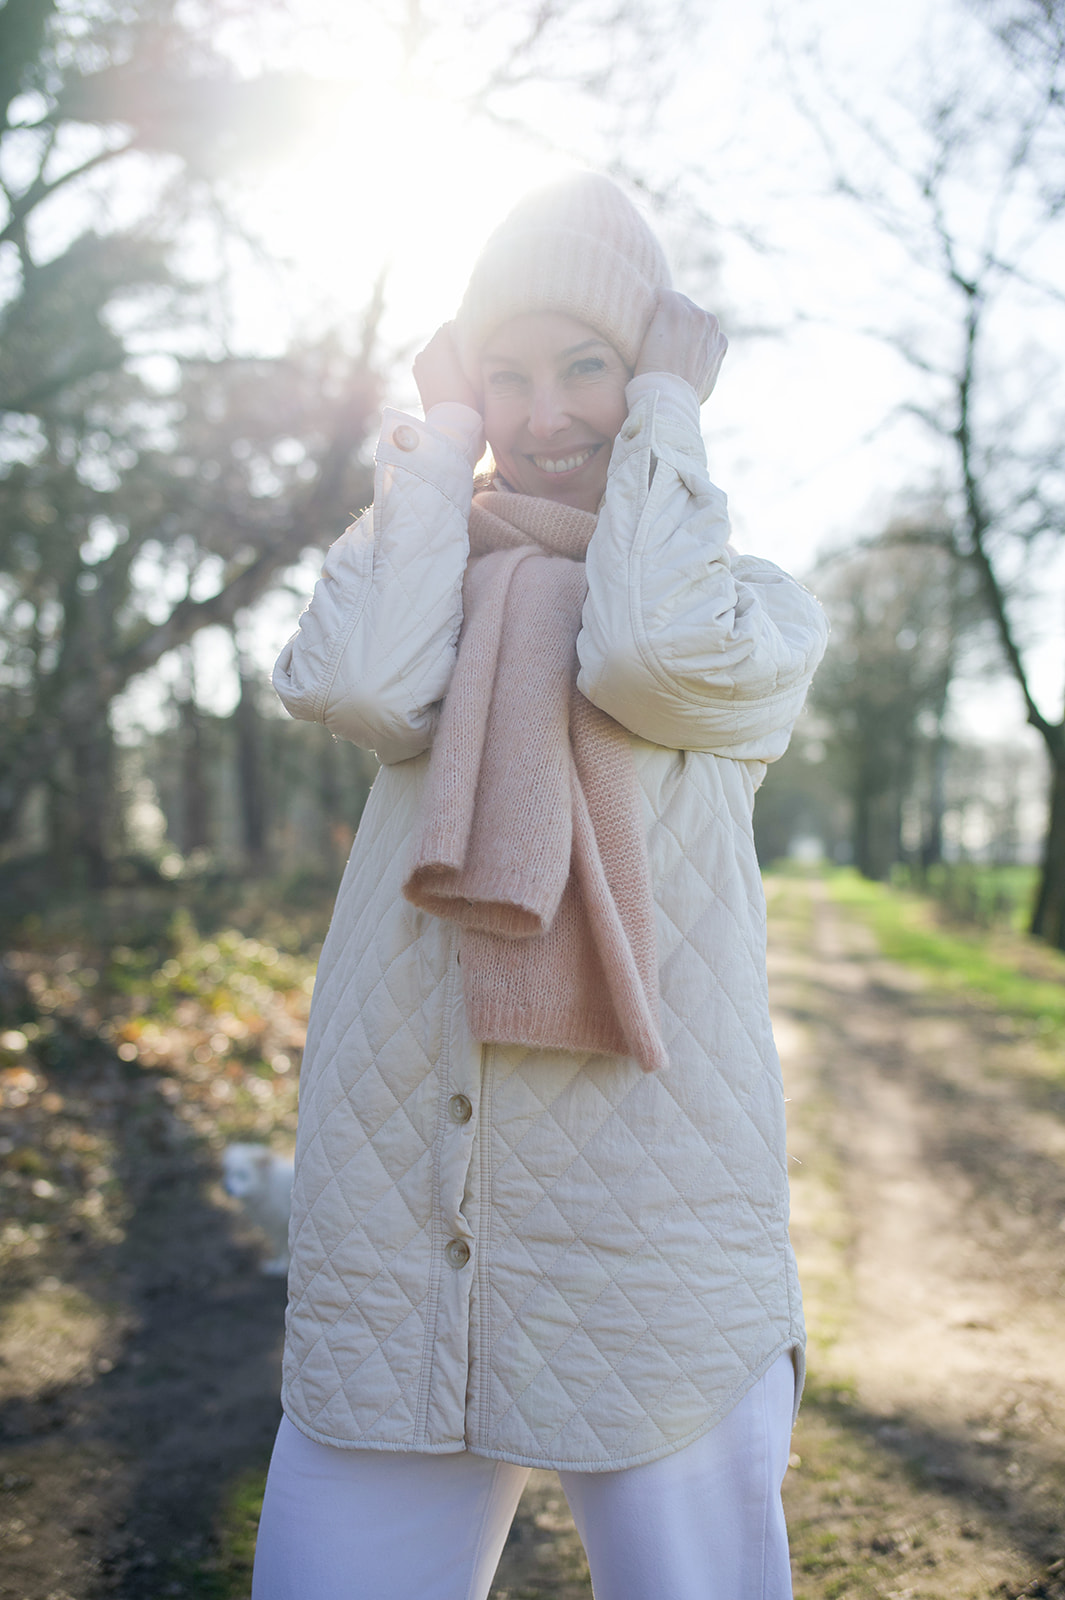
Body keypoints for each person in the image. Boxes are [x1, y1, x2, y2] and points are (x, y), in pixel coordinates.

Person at [252, 173, 828, 1600]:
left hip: (648, 1240)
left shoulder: (750, 610)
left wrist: (666, 424)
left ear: (649, 379)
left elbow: (639, 654)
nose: (546, 408)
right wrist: (441, 440)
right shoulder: (419, 574)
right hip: (399, 1246)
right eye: (505, 374)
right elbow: (359, 683)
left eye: (589, 365)